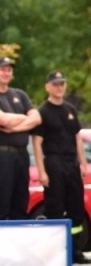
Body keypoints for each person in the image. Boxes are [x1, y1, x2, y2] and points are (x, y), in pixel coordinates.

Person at [28, 71, 91, 262]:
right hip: (53, 162)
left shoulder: (70, 109)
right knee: (54, 208)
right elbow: (37, 143)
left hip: (71, 163)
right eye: (55, 84)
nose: (59, 87)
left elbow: (77, 138)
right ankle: (55, 253)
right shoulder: (43, 112)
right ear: (47, 87)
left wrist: (83, 163)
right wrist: (42, 171)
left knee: (76, 208)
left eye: (62, 84)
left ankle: (75, 251)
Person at [0, 56, 40, 219]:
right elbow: (3, 120)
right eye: (3, 69)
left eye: (9, 70)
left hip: (22, 155)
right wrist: (24, 117)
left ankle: (18, 232)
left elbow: (37, 118)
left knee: (21, 201)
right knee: (3, 201)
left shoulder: (20, 94)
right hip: (3, 155)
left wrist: (14, 126)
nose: (6, 73)